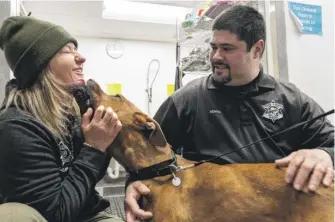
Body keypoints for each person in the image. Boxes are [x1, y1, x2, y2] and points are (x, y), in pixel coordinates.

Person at [124, 5, 334, 222]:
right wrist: (133, 184)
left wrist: (325, 154)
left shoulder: (291, 100)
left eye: (227, 48)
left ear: (257, 50)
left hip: (278, 213)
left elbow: (332, 142)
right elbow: (144, 152)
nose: (216, 56)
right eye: (213, 47)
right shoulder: (187, 99)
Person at [0, 16, 124, 222]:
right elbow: (55, 214)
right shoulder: (16, 128)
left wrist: (134, 183)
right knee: (13, 215)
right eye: (67, 51)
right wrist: (93, 148)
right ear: (39, 65)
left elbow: (90, 179)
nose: (81, 57)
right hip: (51, 217)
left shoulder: (74, 110)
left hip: (82, 211)